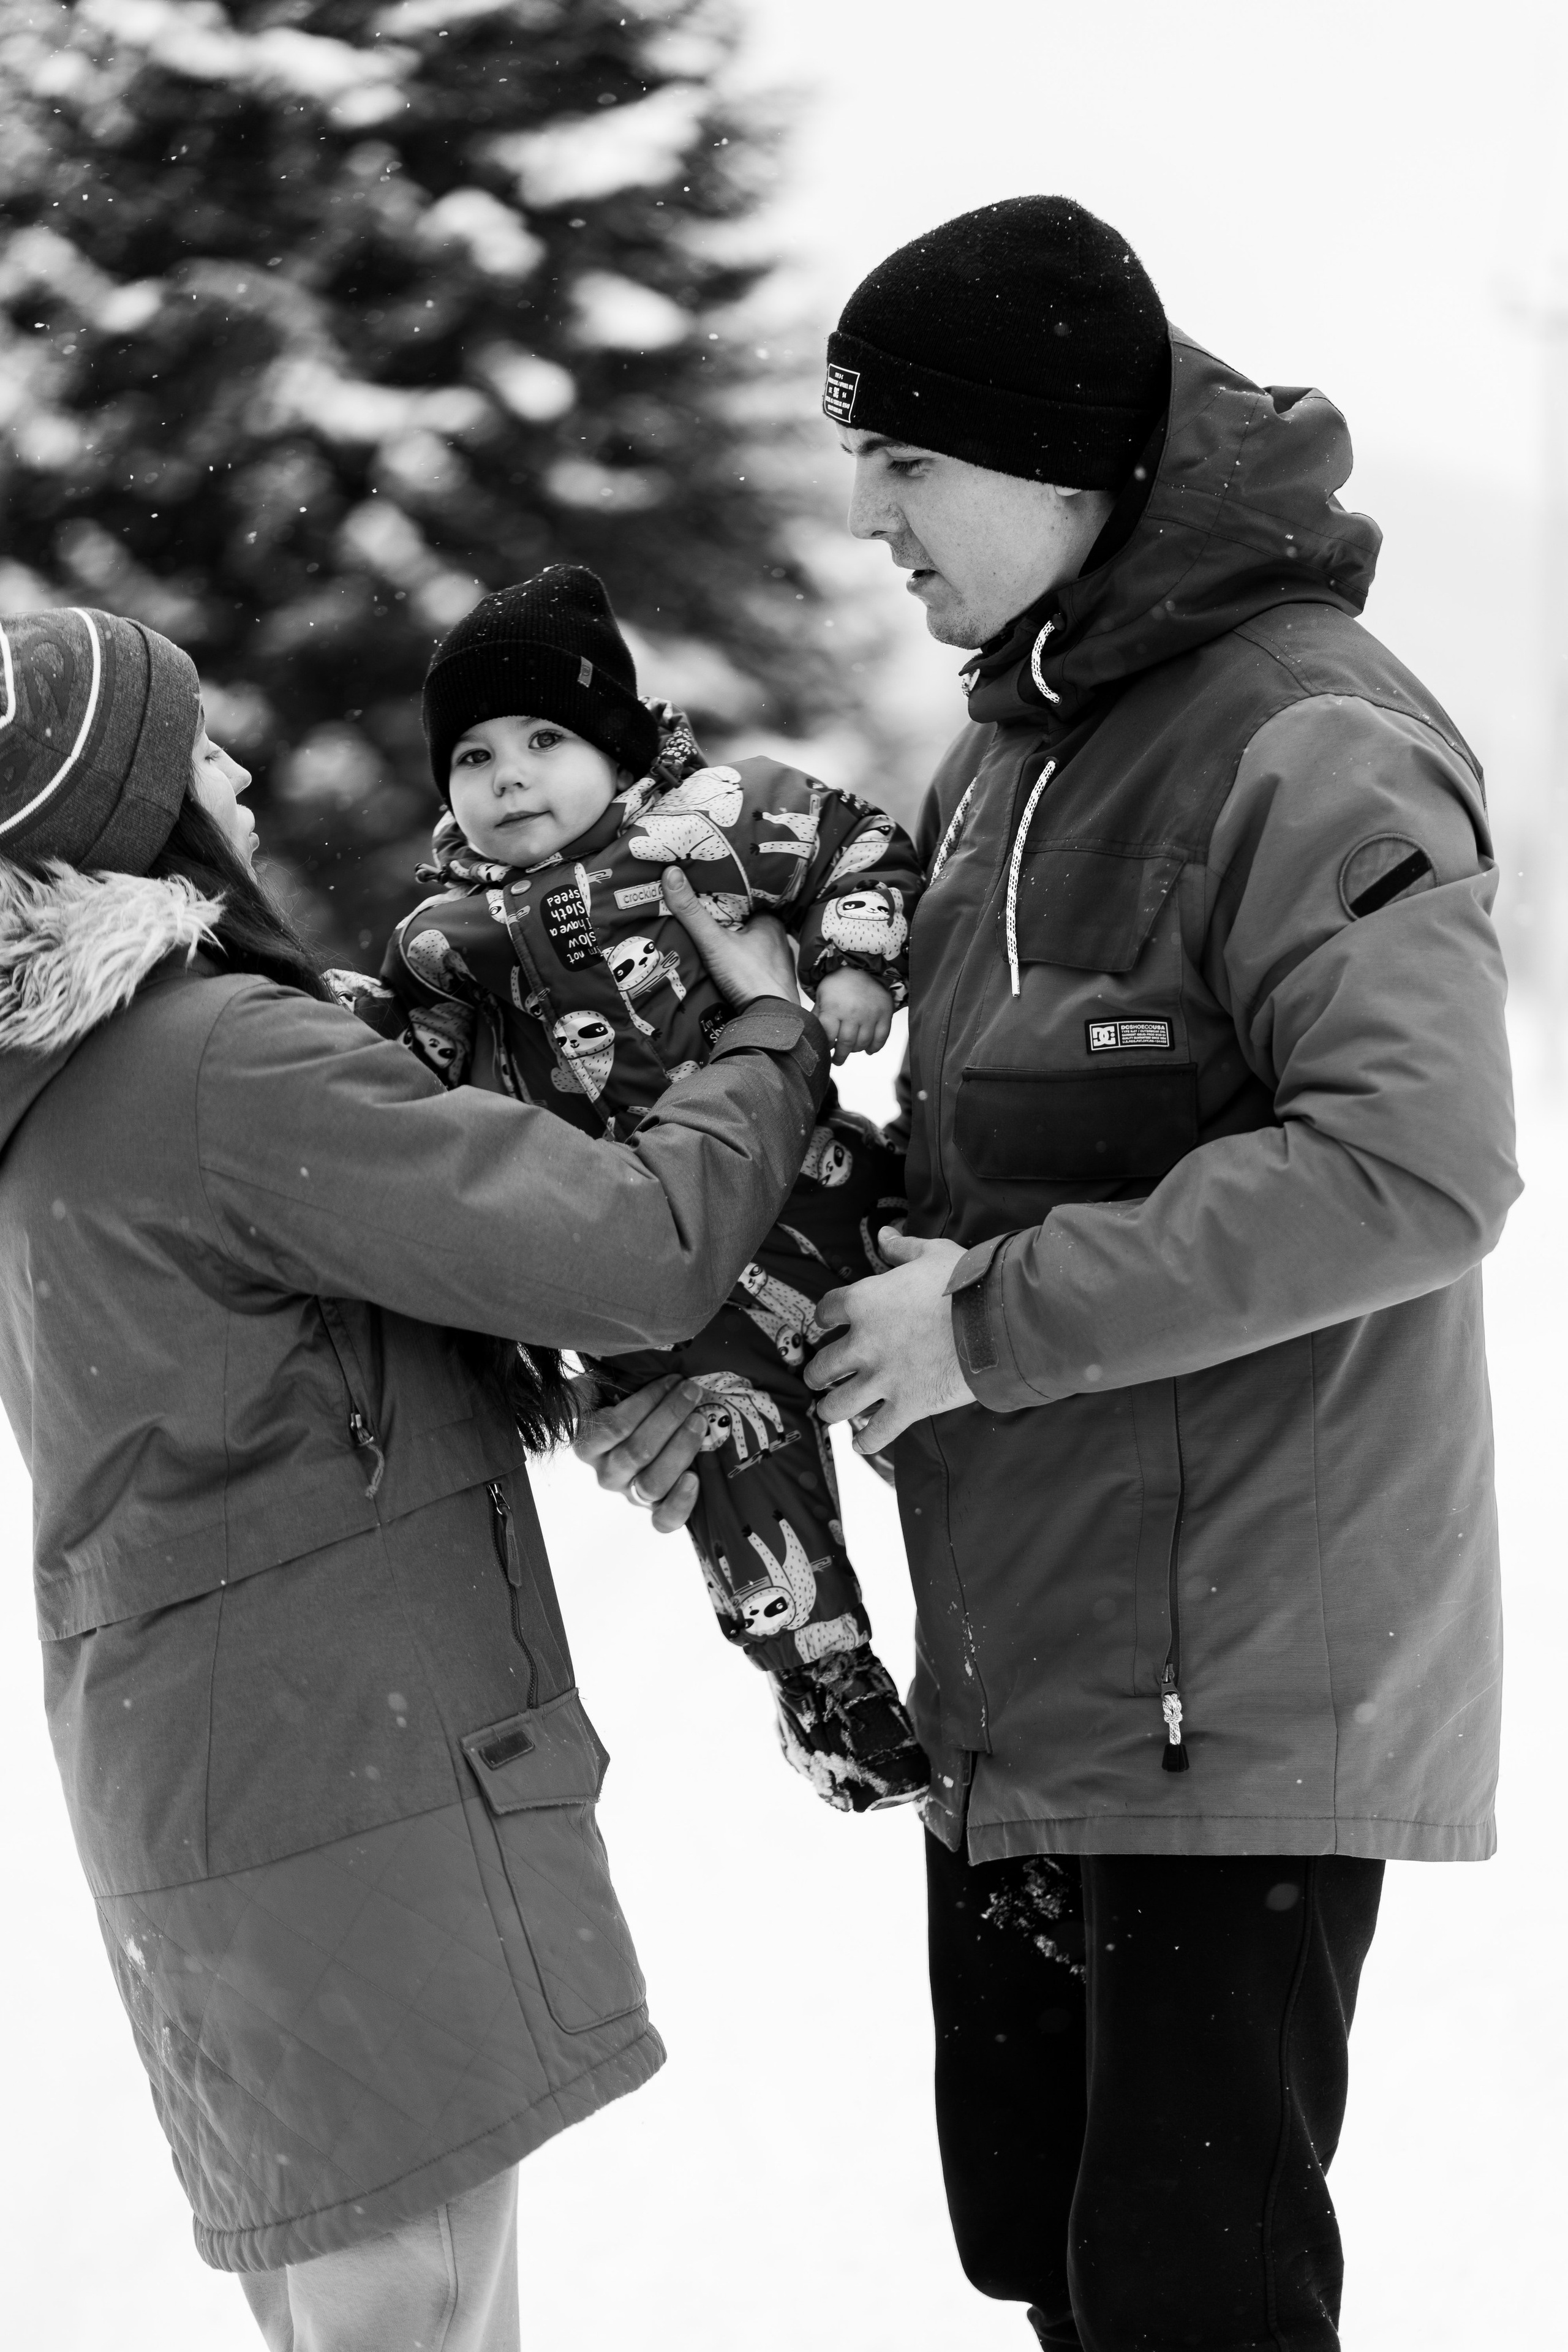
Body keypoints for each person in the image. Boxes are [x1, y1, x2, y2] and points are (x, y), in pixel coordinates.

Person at [611, 195, 1521, 2350]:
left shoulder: (1310, 736)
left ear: (1059, 462)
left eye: (905, 461)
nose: (862, 515)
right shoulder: (1013, 748)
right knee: (1044, 2243)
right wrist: (729, 1299)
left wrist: (988, 1324)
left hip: (1234, 1673)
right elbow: (969, 1170)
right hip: (1035, 1664)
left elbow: (1417, 1159)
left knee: (1188, 2290)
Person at [0, 602, 831, 2349]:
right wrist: (764, 1036)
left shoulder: (61, 1091)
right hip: (339, 1788)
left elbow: (286, 1358)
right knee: (419, 2318)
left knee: (366, 2318)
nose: (237, 770)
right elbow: (633, 1245)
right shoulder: (218, 1058)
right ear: (125, 820)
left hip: (215, 1785)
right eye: (194, 752)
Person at [347, 562, 927, 1813]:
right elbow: (401, 1075)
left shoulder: (718, 819)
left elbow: (865, 843)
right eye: (473, 758)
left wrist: (853, 963)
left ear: (616, 745)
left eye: (544, 740)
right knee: (734, 1475)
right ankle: (828, 1688)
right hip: (651, 1278)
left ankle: (1035, 1583)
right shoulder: (450, 938)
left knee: (940, 1368)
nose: (507, 778)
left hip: (814, 1200)